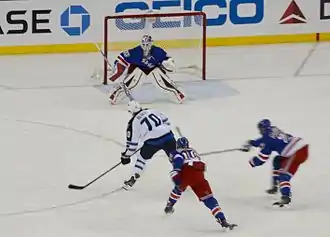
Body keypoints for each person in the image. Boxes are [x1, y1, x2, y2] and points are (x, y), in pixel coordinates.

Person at [164, 137, 237, 230]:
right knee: (209, 199)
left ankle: (170, 205)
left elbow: (177, 160)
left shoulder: (176, 153)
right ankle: (222, 220)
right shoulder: (193, 151)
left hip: (187, 172)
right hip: (199, 175)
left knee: (178, 187)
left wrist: (176, 173)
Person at [241, 119, 309, 207]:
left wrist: (252, 162)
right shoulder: (273, 129)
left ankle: (286, 196)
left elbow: (262, 158)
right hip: (300, 147)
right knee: (277, 160)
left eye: (260, 129)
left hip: (296, 152)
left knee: (284, 175)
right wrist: (252, 143)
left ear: (263, 129)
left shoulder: (267, 140)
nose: (259, 131)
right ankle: (275, 186)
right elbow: (265, 140)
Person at [108, 34, 185, 104]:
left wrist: (169, 63)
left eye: (147, 44)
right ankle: (115, 95)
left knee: (162, 86)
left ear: (151, 43)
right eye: (143, 44)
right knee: (131, 85)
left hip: (153, 69)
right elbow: (122, 57)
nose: (145, 46)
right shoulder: (136, 52)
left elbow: (167, 59)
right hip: (139, 69)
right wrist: (118, 69)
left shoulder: (158, 51)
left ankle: (178, 94)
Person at [120, 100, 177, 189]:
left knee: (142, 158)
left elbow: (132, 145)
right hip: (168, 136)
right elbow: (166, 120)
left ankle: (133, 178)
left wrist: (125, 156)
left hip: (153, 142)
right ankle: (185, 176)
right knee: (176, 157)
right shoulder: (152, 110)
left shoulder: (133, 123)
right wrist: (164, 130)